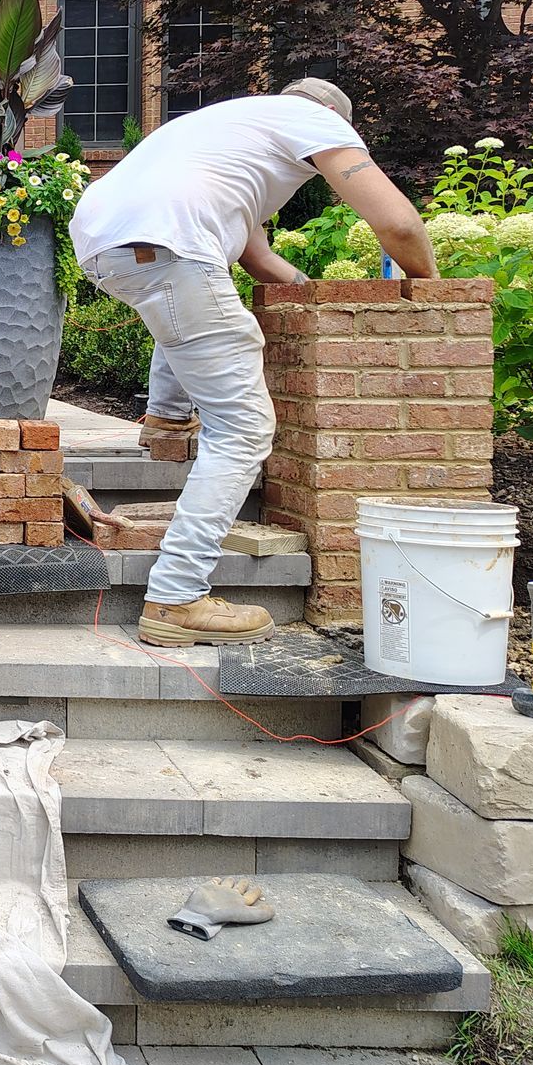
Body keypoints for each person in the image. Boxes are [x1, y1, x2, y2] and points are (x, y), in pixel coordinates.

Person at [69, 79, 437, 647]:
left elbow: (259, 259)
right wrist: (434, 291)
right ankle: (176, 596)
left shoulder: (226, 130)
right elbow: (400, 226)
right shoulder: (318, 122)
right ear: (334, 117)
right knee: (243, 430)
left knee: (189, 306)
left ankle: (166, 416)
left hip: (108, 247)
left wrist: (312, 294)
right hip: (172, 247)